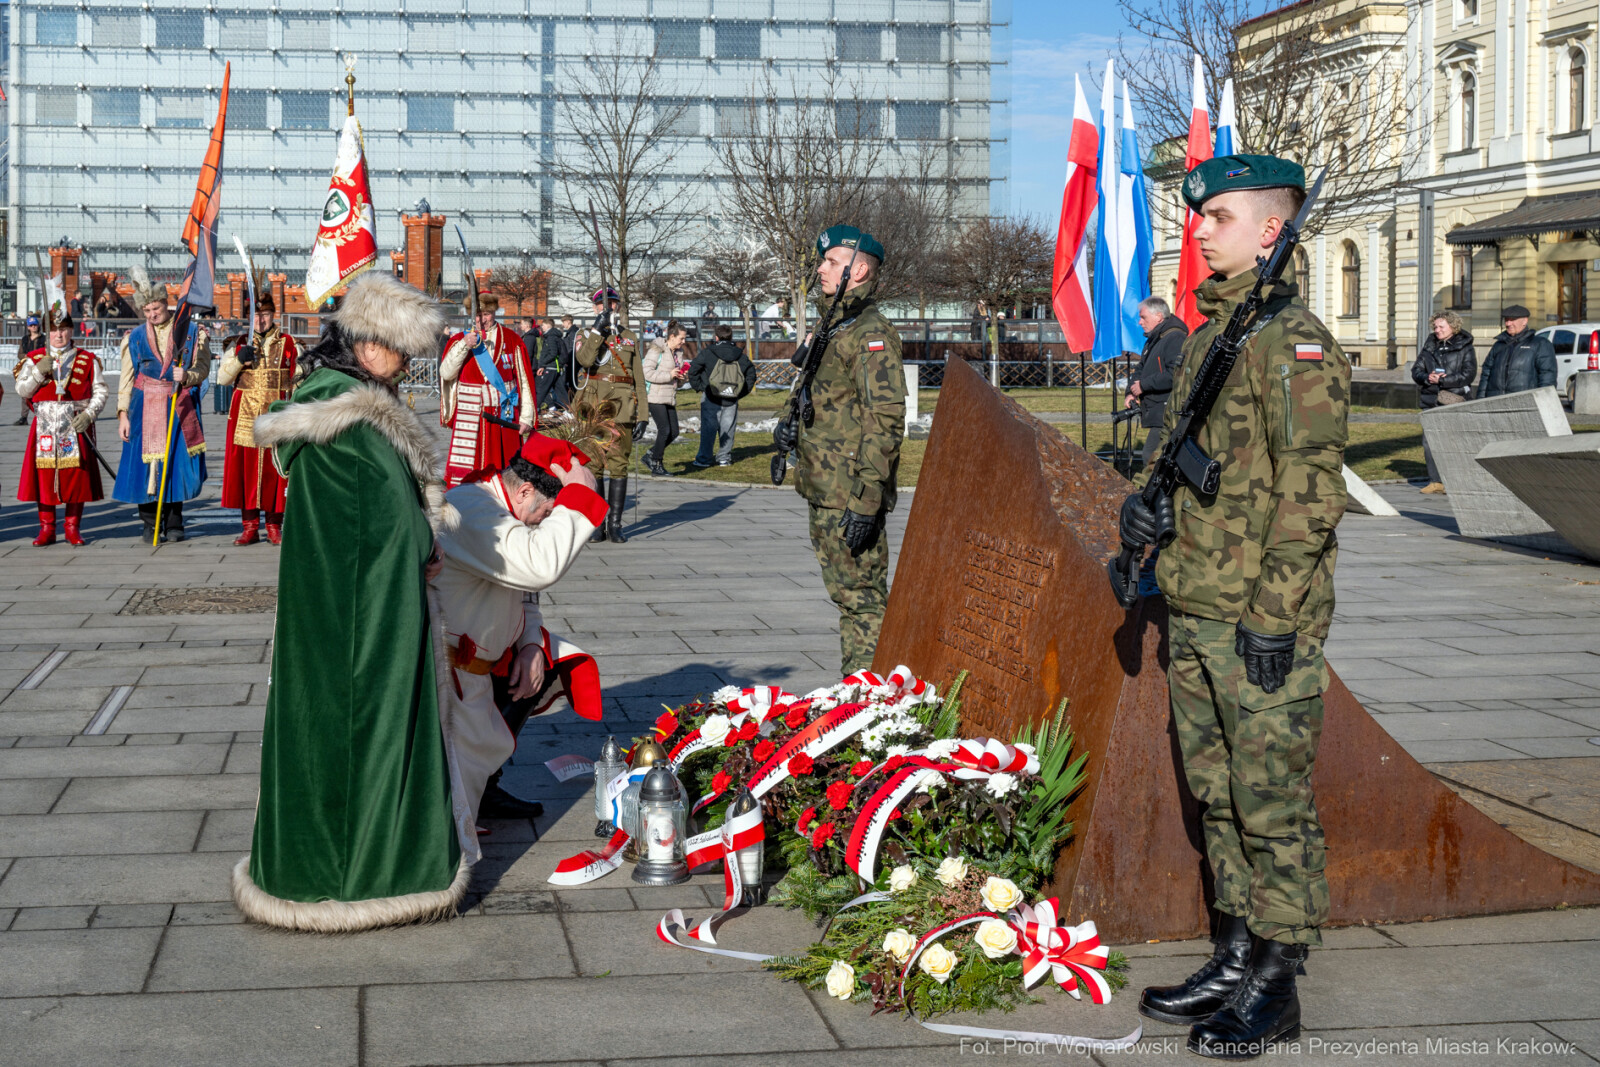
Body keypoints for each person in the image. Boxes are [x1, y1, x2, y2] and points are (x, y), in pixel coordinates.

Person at [1120, 155, 1349, 1061]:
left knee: (1271, 800)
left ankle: (1278, 980)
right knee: (1215, 792)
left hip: (1257, 614)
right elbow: (1182, 448)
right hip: (1196, 598)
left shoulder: (1291, 339)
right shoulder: (1220, 331)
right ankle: (1236, 950)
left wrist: (1274, 614)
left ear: (1269, 229)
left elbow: (1311, 494)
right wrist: (1138, 514)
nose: (1198, 229)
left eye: (1216, 215)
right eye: (1197, 216)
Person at [233, 272, 467, 932]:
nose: (409, 363)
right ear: (365, 344)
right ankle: (366, 875)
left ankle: (321, 868)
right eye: (400, 350)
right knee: (361, 727)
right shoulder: (355, 418)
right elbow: (391, 523)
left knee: (323, 722)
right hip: (363, 616)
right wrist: (424, 538)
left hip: (330, 608)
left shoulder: (335, 404)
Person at [432, 433, 606, 825]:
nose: (546, 521)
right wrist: (578, 499)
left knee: (550, 653)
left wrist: (530, 645)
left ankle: (485, 787)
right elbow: (538, 566)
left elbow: (524, 590)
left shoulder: (501, 504)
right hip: (448, 679)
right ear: (525, 490)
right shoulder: (472, 509)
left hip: (480, 663)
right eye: (547, 512)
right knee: (448, 815)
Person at [772, 225, 905, 674]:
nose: (821, 269)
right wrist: (789, 424)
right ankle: (858, 692)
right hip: (825, 487)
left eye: (831, 262)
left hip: (849, 495)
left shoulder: (871, 333)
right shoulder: (837, 323)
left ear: (860, 269)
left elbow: (885, 420)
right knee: (846, 595)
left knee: (862, 601)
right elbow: (819, 391)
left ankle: (869, 703)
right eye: (822, 261)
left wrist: (866, 501)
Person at [112, 272, 210, 543]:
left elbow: (203, 367)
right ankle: (149, 523)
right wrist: (122, 414)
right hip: (144, 407)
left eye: (155, 308)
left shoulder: (190, 332)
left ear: (165, 304)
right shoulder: (134, 337)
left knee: (176, 464)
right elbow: (126, 378)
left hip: (177, 405)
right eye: (146, 310)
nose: (151, 314)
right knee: (145, 467)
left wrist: (188, 376)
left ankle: (175, 521)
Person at [15, 306, 106, 546]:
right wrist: (37, 373)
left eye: (64, 329)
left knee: (75, 477)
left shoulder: (87, 359)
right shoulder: (34, 359)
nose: (59, 335)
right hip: (44, 426)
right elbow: (22, 390)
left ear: (71, 330)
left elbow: (100, 391)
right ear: (47, 332)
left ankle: (72, 527)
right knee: (44, 478)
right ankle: (46, 528)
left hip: (74, 425)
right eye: (54, 330)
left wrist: (89, 414)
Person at [218, 290, 299, 545]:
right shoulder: (239, 342)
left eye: (265, 314)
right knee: (247, 471)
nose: (260, 320)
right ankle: (249, 526)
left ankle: (274, 525)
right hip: (246, 416)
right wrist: (238, 360)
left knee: (276, 471)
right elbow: (222, 378)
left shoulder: (288, 343)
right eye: (256, 315)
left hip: (276, 416)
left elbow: (299, 380)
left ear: (273, 315)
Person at [573, 287, 648, 544]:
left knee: (618, 465)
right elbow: (584, 360)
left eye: (613, 303)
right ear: (595, 309)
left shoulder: (629, 337)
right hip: (594, 407)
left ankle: (615, 524)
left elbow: (639, 379)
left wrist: (644, 416)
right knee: (594, 465)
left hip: (623, 408)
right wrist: (598, 329)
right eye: (603, 305)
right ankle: (597, 523)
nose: (609, 308)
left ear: (618, 306)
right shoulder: (585, 334)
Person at [440, 294, 536, 488]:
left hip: (503, 417)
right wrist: (464, 345)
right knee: (467, 475)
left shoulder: (512, 339)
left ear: (494, 313)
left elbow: (524, 381)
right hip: (469, 417)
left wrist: (526, 417)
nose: (481, 319)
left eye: (486, 314)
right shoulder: (459, 340)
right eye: (477, 315)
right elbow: (446, 372)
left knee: (507, 472)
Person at [1410, 310, 1477, 494]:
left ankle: (1455, 481)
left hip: (1453, 400)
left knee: (1452, 442)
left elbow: (1468, 374)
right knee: (1429, 442)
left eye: (1441, 326)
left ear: (1453, 327)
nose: (1437, 330)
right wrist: (1427, 376)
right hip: (1430, 399)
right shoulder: (1430, 346)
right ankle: (1435, 481)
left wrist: (1443, 380)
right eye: (1435, 326)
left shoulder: (1465, 346)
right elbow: (1416, 370)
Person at [1126, 296, 1189, 470]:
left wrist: (1144, 386)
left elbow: (1174, 374)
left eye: (1143, 317)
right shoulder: (1154, 338)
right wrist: (1130, 392)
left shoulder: (1175, 338)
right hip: (1156, 409)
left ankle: (1152, 496)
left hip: (1168, 411)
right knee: (1153, 458)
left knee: (1151, 458)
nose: (1139, 322)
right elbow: (1141, 368)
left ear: (1159, 317)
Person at [689, 324, 757, 468]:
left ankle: (704, 459)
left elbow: (693, 369)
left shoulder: (708, 352)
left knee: (708, 428)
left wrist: (700, 387)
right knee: (728, 428)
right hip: (731, 397)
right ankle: (724, 458)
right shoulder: (740, 355)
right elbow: (751, 374)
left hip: (710, 396)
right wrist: (741, 391)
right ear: (731, 337)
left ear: (716, 337)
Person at [1477, 304, 1556, 399]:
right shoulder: (1498, 345)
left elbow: (1547, 377)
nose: (1508, 324)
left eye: (1512, 320)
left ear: (1525, 321)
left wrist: (1544, 402)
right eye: (1506, 320)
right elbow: (1486, 373)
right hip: (1496, 402)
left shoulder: (1540, 344)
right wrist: (1480, 400)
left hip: (1525, 403)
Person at [642, 320, 690, 476]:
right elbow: (646, 373)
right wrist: (668, 375)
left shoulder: (678, 354)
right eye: (681, 338)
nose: (684, 341)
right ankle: (656, 463)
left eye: (684, 338)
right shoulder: (657, 350)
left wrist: (681, 378)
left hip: (669, 396)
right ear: (672, 336)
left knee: (674, 432)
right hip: (655, 396)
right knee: (665, 430)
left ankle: (651, 454)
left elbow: (676, 380)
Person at [536, 315, 570, 412]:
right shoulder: (555, 336)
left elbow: (553, 353)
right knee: (560, 390)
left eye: (543, 325)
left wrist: (542, 364)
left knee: (542, 388)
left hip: (551, 367)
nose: (542, 327)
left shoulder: (550, 337)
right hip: (556, 367)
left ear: (547, 325)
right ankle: (570, 410)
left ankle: (535, 409)